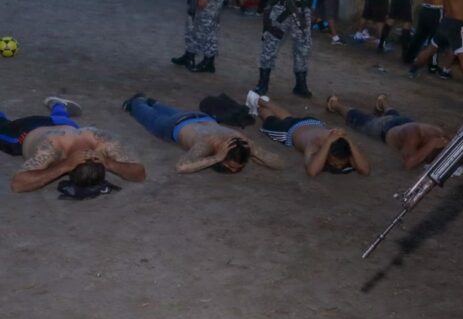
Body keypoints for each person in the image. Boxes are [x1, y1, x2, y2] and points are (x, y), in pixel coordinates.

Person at [2, 97, 145, 193]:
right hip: (25, 131)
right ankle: (58, 107)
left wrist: (108, 163)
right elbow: (18, 184)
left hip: (66, 125)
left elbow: (140, 174)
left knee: (64, 122)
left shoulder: (101, 140)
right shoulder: (51, 148)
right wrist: (64, 166)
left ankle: (59, 106)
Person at [123, 93, 280, 174]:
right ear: (223, 152)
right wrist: (216, 158)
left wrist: (254, 149)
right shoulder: (206, 144)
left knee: (170, 112)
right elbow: (181, 167)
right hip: (171, 126)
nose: (233, 170)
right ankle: (138, 100)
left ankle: (154, 103)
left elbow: (279, 163)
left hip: (196, 116)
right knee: (146, 116)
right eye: (231, 166)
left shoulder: (242, 142)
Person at [248, 93, 369, 177]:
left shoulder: (342, 146)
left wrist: (348, 140)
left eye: (340, 164)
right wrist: (327, 143)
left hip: (312, 123)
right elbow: (312, 171)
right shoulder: (316, 145)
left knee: (288, 117)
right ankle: (258, 104)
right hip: (289, 131)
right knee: (269, 120)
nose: (337, 166)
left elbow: (365, 170)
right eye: (335, 162)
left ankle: (262, 100)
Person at [326, 94, 449, 170]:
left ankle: (382, 102)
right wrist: (431, 145)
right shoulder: (413, 135)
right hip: (385, 128)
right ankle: (335, 105)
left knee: (394, 116)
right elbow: (408, 164)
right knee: (361, 120)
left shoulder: (439, 133)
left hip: (404, 122)